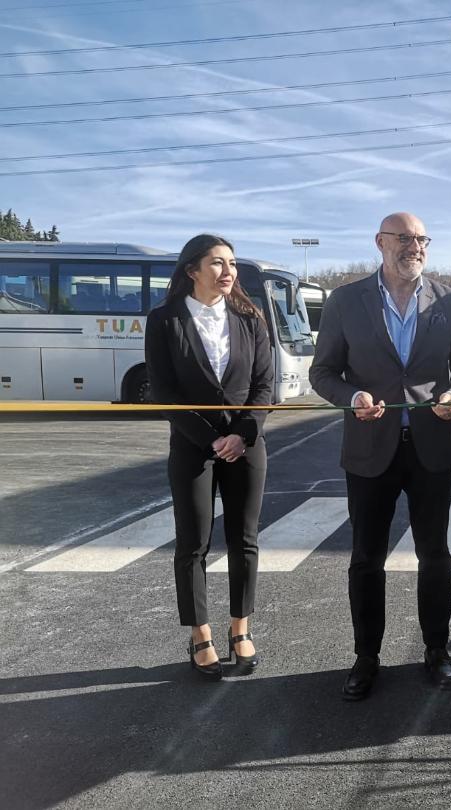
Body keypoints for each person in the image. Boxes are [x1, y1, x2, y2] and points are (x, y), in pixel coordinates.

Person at [310, 212, 451, 701]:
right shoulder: (346, 300)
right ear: (379, 243)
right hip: (368, 450)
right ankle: (366, 657)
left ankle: (437, 651)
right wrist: (353, 398)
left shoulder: (450, 301)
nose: (415, 246)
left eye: (422, 238)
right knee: (366, 558)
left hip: (431, 446)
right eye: (404, 238)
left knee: (435, 556)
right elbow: (324, 374)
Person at [145, 234, 273, 681]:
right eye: (217, 263)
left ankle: (241, 629)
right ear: (191, 270)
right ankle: (201, 634)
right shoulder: (164, 321)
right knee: (193, 543)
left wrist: (242, 435)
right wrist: (209, 439)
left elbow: (263, 386)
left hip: (247, 445)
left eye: (232, 263)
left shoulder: (250, 318)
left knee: (245, 540)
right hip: (192, 448)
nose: (228, 271)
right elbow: (163, 391)